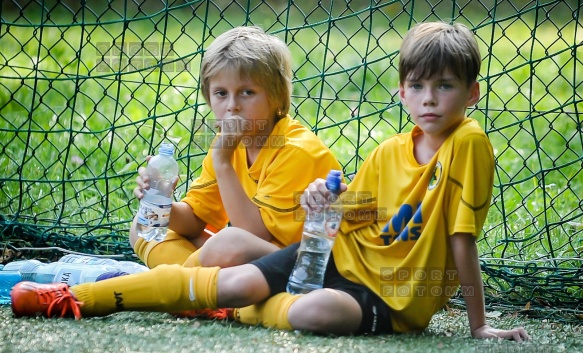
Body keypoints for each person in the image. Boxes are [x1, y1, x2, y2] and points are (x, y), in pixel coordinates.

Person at [10, 22, 530, 341]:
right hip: (329, 258)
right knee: (180, 250)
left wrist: (477, 324)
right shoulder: (391, 148)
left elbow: (462, 237)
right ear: (401, 94)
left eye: (445, 86)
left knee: (308, 310)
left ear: (473, 94)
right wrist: (326, 201)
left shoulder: (467, 143)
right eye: (418, 86)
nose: (431, 99)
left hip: (377, 290)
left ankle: (152, 289)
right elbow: (355, 215)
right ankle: (80, 297)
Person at [130, 26, 341, 269]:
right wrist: (160, 201)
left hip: (306, 267)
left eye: (247, 92)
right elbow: (197, 220)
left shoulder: (297, 151)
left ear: (277, 97)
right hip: (255, 261)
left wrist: (222, 162)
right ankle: (195, 289)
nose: (232, 106)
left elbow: (254, 236)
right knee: (144, 223)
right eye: (221, 93)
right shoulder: (229, 143)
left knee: (228, 243)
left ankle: (183, 285)